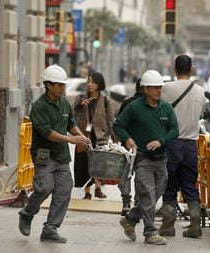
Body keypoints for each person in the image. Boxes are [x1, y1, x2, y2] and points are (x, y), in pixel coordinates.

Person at [18, 65, 90, 243]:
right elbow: (47, 132)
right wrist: (70, 140)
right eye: (59, 85)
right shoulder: (40, 106)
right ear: (48, 85)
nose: (62, 88)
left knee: (64, 190)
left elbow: (70, 124)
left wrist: (81, 136)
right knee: (44, 188)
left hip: (61, 156)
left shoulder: (64, 102)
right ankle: (27, 213)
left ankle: (50, 229)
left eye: (63, 85)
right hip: (44, 155)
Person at [113, 70, 179, 245]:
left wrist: (161, 141)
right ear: (145, 89)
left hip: (161, 159)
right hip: (143, 160)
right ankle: (150, 232)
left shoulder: (166, 107)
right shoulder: (134, 108)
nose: (158, 91)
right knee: (148, 195)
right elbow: (118, 125)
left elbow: (174, 130)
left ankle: (130, 219)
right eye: (154, 88)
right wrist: (128, 139)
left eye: (160, 87)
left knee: (154, 195)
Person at [159, 55, 206, 238]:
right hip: (191, 145)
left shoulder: (167, 88)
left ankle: (168, 226)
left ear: (174, 69)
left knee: (170, 186)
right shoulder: (200, 91)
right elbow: (200, 115)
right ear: (191, 69)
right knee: (190, 186)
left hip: (172, 144)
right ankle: (195, 225)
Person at [73, 72, 116, 199]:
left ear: (99, 84)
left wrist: (113, 135)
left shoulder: (105, 100)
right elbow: (74, 110)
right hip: (84, 135)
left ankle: (98, 188)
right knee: (83, 163)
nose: (90, 84)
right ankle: (87, 191)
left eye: (93, 82)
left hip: (99, 136)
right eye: (88, 81)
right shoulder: (81, 97)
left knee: (98, 163)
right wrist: (81, 104)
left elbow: (110, 119)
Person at [116, 78, 143, 216]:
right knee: (142, 176)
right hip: (145, 148)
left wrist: (124, 139)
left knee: (125, 175)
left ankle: (126, 202)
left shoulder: (127, 102)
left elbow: (118, 124)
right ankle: (138, 203)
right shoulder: (152, 105)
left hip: (127, 146)